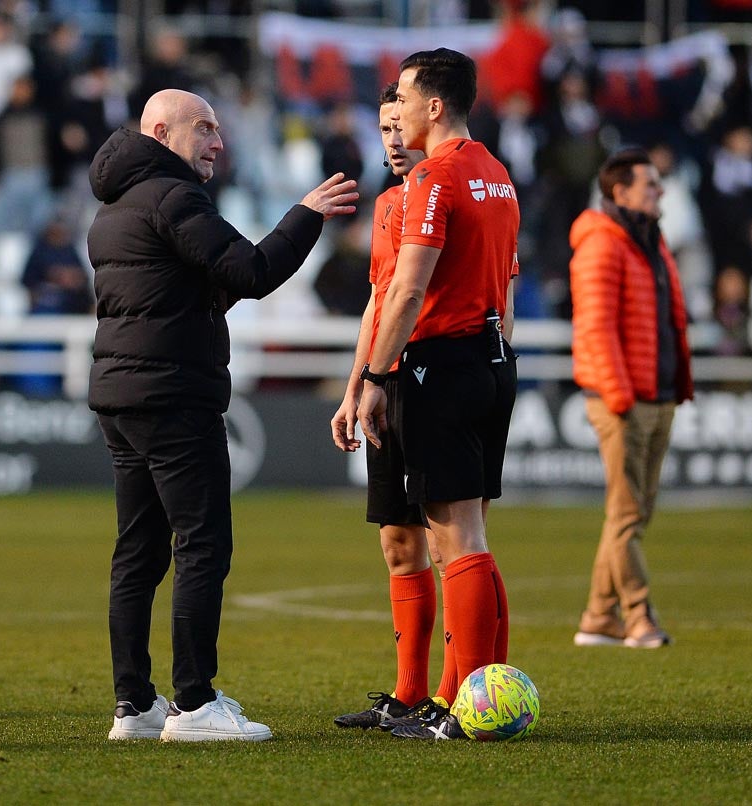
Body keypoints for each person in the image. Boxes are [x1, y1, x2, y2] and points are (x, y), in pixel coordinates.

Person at [86, 88, 357, 741]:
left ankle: (134, 707)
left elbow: (188, 295)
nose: (217, 141)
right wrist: (305, 215)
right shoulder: (175, 197)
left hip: (122, 393)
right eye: (203, 127)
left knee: (138, 553)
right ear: (159, 130)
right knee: (202, 544)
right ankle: (194, 704)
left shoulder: (116, 208)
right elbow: (254, 270)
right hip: (176, 395)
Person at [356, 48, 520, 741]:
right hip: (489, 359)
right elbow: (504, 290)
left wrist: (373, 378)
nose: (397, 111)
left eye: (406, 96)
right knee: (466, 539)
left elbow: (408, 288)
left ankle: (466, 712)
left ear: (432, 105)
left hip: (439, 365)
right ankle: (464, 697)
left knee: (455, 540)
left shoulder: (435, 177)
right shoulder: (498, 174)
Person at [330, 83, 451, 730]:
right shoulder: (385, 206)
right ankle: (407, 696)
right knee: (398, 542)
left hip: (439, 374)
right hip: (387, 379)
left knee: (449, 545)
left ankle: (454, 695)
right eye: (382, 129)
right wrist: (356, 384)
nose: (394, 139)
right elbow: (379, 301)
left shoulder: (450, 190)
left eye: (398, 123)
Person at [567, 147, 694, 651]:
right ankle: (638, 617)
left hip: (655, 395)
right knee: (628, 515)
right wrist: (622, 398)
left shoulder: (647, 239)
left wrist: (673, 387)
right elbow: (595, 327)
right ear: (620, 192)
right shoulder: (603, 243)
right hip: (625, 399)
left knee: (631, 514)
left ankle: (598, 617)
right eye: (651, 184)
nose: (660, 191)